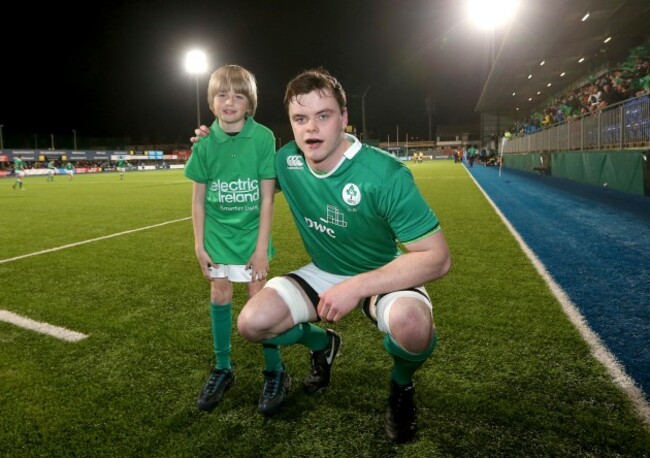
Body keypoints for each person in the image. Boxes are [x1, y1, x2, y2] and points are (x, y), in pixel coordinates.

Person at [193, 68, 451, 443]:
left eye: (323, 116)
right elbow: (238, 173)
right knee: (253, 323)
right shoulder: (286, 161)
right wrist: (213, 139)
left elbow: (438, 258)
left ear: (344, 119)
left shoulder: (385, 174)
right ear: (291, 124)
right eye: (300, 118)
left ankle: (402, 386)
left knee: (412, 326)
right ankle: (322, 344)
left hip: (380, 271)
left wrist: (356, 287)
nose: (311, 128)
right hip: (324, 271)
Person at [185, 64, 277, 413]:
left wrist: (260, 250)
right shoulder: (205, 143)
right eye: (222, 94)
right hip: (217, 237)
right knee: (219, 293)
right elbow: (197, 199)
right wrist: (199, 245)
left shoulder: (264, 137)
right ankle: (223, 368)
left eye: (238, 95)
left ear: (249, 102)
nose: (229, 101)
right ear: (211, 100)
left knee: (260, 304)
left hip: (253, 237)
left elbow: (267, 197)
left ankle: (275, 370)